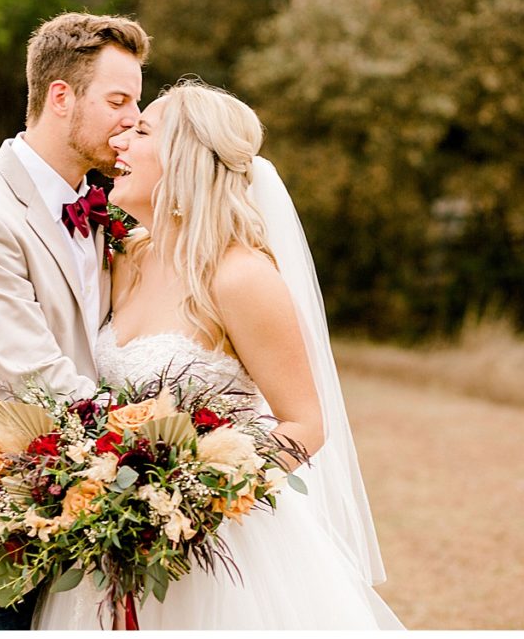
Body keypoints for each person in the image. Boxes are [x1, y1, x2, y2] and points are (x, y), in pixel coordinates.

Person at [31, 79, 405, 629]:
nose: (120, 145)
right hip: (115, 540)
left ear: (183, 158)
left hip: (222, 550)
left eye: (140, 131)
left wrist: (195, 498)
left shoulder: (240, 277)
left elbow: (305, 423)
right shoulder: (125, 256)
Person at [0, 12, 150, 631]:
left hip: (83, 536)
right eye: (117, 100)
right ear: (61, 97)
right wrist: (157, 447)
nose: (133, 120)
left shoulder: (102, 215)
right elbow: (35, 372)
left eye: (137, 103)